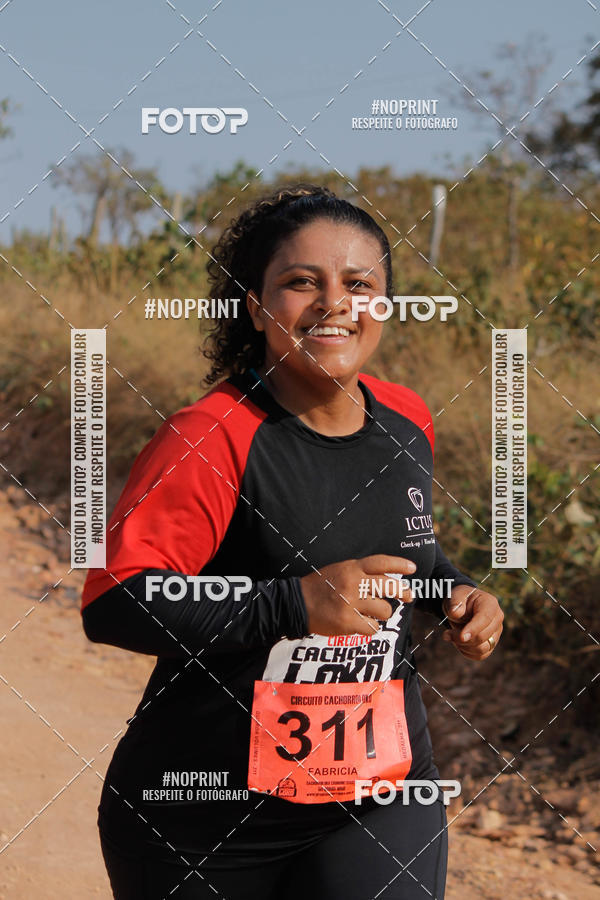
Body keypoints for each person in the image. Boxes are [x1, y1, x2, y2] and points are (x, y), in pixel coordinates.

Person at [81, 184, 504, 899]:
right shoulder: (210, 437)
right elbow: (116, 601)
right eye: (301, 281)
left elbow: (412, 554)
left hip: (377, 794)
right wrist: (292, 604)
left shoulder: (406, 420)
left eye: (358, 283)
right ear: (255, 305)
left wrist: (456, 592)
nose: (333, 302)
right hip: (203, 815)